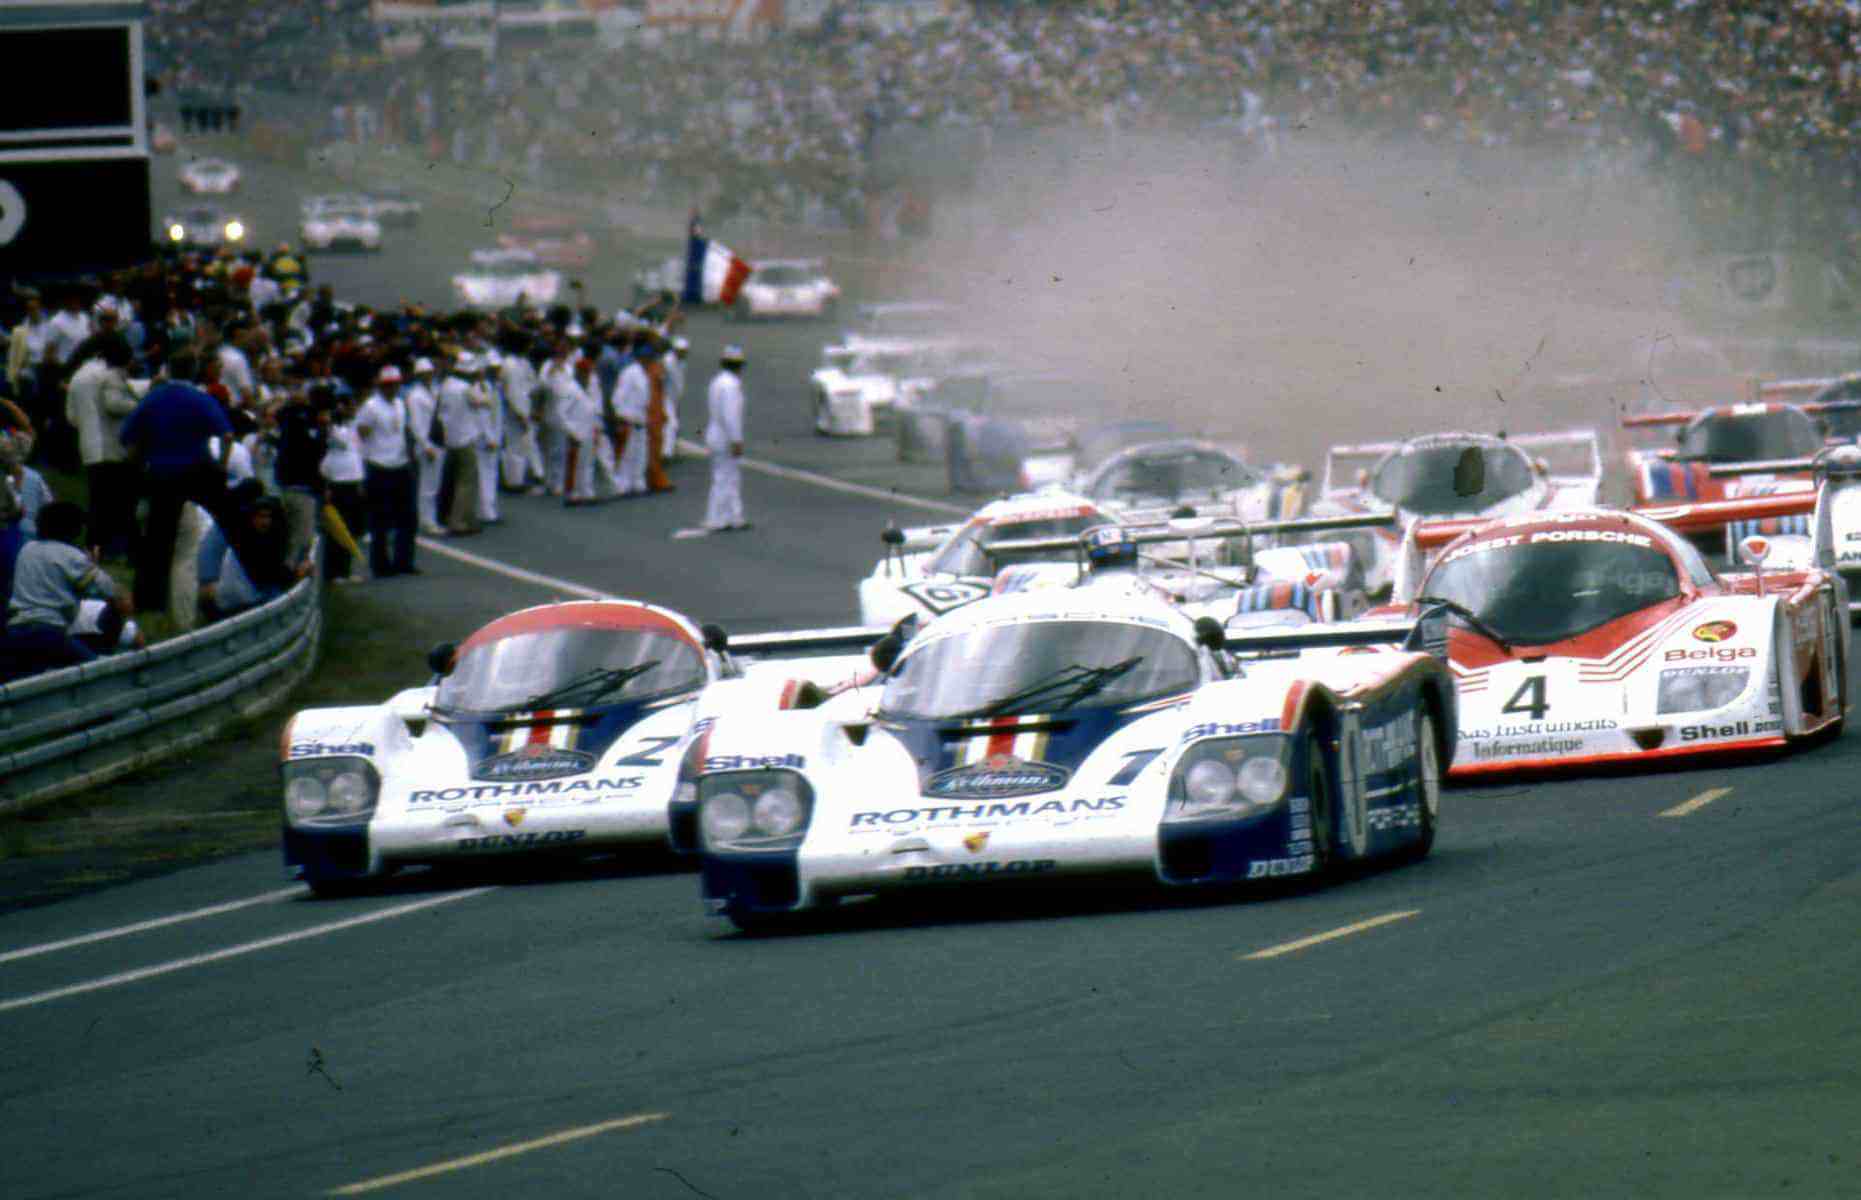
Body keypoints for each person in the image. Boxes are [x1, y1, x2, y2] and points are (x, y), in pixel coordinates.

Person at [119, 349, 233, 613]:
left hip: (162, 475)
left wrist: (140, 462)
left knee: (157, 542)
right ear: (194, 371)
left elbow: (128, 437)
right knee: (224, 522)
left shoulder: (154, 398)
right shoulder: (200, 399)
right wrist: (221, 467)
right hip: (197, 471)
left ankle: (149, 602)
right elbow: (226, 435)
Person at [0, 501, 131, 682]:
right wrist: (92, 563)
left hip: (15, 631)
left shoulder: (26, 550)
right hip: (50, 634)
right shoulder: (71, 555)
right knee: (100, 678)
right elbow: (110, 591)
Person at [63, 333, 140, 561]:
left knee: (98, 502)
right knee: (124, 502)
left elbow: (71, 417)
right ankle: (127, 550)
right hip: (113, 446)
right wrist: (138, 407)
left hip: (89, 447)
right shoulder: (109, 374)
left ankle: (95, 548)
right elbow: (114, 404)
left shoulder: (77, 377)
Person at [198, 493, 310, 621]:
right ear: (251, 517)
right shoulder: (244, 539)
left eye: (268, 517)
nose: (265, 522)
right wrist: (298, 573)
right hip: (238, 602)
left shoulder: (269, 538)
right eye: (260, 517)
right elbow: (269, 575)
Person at [357, 364, 419, 576]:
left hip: (400, 464)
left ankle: (404, 561)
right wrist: (364, 462)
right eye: (388, 385)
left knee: (407, 518)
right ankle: (381, 565)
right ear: (381, 386)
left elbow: (403, 432)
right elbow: (361, 434)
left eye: (395, 385)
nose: (392, 389)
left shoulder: (400, 404)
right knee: (380, 520)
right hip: (379, 465)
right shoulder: (371, 407)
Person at [704, 344, 749, 532]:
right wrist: (736, 439)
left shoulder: (717, 382)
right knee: (725, 477)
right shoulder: (731, 386)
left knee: (729, 477)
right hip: (725, 436)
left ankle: (733, 516)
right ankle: (717, 518)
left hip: (716, 433)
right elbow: (730, 416)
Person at [437, 351, 482, 535]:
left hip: (450, 437)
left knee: (452, 479)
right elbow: (482, 401)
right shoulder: (465, 388)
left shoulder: (446, 385)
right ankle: (459, 520)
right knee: (467, 481)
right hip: (465, 438)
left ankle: (451, 515)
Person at [404, 357, 445, 535]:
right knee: (428, 485)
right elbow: (415, 424)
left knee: (434, 484)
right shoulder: (415, 396)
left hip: (438, 440)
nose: (428, 376)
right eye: (424, 373)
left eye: (430, 372)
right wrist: (426, 445)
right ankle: (427, 521)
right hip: (427, 444)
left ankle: (430, 518)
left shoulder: (435, 390)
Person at [612, 346, 650, 495]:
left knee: (640, 452)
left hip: (640, 418)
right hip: (629, 417)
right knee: (627, 453)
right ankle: (623, 484)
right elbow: (619, 395)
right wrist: (620, 416)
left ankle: (637, 482)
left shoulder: (642, 373)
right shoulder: (630, 373)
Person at [472, 351, 504, 524]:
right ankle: (486, 510)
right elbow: (482, 415)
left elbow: (497, 415)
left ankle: (488, 506)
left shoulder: (493, 386)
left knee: (491, 472)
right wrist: (490, 437)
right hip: (483, 437)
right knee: (485, 472)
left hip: (494, 435)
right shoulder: (480, 387)